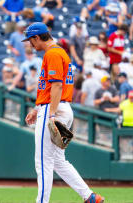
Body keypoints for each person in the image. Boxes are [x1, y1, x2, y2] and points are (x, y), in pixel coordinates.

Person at [23, 22, 104, 203]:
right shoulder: (60, 52)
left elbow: (57, 85)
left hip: (54, 109)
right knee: (58, 161)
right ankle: (90, 197)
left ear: (37, 37)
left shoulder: (52, 53)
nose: (30, 44)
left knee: (43, 162)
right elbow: (52, 86)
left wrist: (50, 113)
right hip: (61, 107)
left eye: (31, 40)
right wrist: (38, 108)